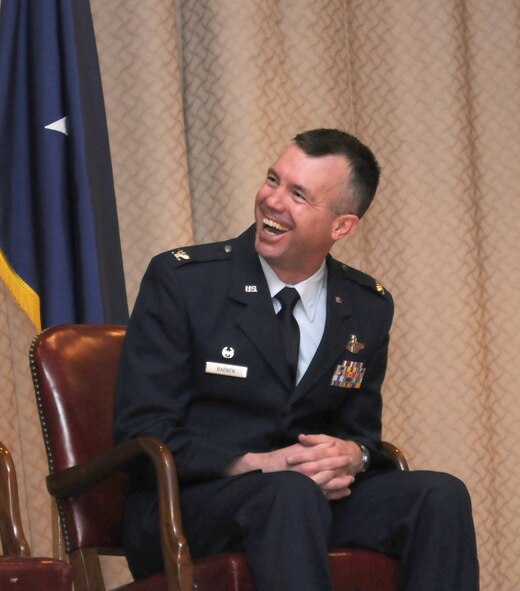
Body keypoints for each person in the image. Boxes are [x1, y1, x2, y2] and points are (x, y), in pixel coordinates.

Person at [114, 128, 479, 591]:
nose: (272, 201)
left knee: (440, 494)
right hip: (188, 503)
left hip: (305, 503)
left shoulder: (366, 305)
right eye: (273, 180)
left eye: (298, 195)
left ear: (341, 226)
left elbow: (361, 431)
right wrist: (257, 463)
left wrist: (354, 454)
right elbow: (141, 431)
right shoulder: (184, 281)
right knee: (288, 493)